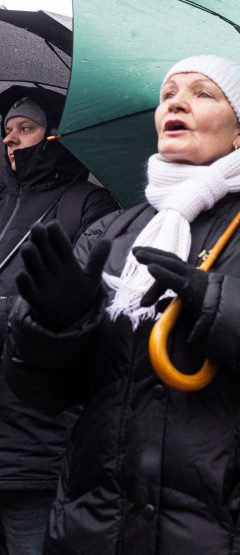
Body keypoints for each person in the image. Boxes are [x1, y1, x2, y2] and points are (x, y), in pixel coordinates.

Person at [4, 56, 240, 554]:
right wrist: (54, 325)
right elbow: (45, 393)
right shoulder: (113, 230)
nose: (177, 102)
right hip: (101, 528)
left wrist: (214, 302)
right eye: (168, 95)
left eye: (203, 93)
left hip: (237, 531)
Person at [0, 95, 119, 555]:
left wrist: (9, 309)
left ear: (56, 137)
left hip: (42, 445)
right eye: (7, 129)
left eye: (26, 128)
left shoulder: (90, 206)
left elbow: (89, 309)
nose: (10, 137)